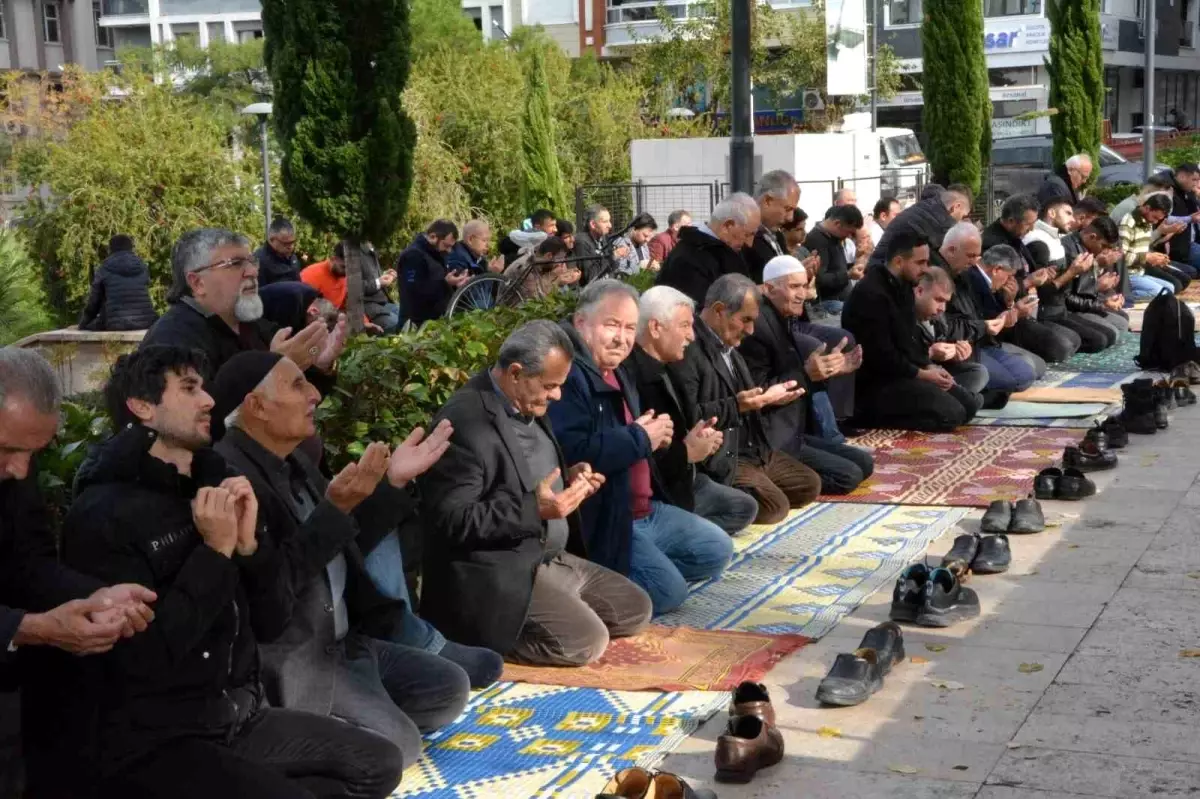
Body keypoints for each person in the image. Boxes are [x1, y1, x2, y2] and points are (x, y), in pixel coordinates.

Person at [63, 346, 404, 799]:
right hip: (162, 739)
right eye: (188, 388)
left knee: (379, 763)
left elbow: (271, 620)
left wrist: (250, 549)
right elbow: (143, 662)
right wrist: (214, 552)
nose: (208, 400)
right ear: (142, 406)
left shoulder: (219, 479)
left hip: (241, 715)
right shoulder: (103, 512)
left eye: (203, 387)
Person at [211, 352, 498, 768]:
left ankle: (352, 723)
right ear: (255, 406)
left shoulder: (295, 461)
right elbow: (270, 595)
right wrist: (335, 511)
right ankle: (313, 732)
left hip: (345, 645)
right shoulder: (233, 479)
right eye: (297, 386)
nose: (314, 394)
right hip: (297, 660)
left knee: (449, 687)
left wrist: (393, 481)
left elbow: (342, 542)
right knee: (400, 749)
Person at [420, 321, 653, 664]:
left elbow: (529, 470)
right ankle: (489, 637)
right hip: (503, 567)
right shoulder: (466, 422)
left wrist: (569, 477)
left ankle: (553, 608)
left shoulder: (528, 401)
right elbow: (449, 519)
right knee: (586, 643)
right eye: (550, 386)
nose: (557, 395)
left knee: (636, 610)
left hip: (550, 556)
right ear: (515, 373)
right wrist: (536, 511)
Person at [0, 349, 160, 795]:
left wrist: (97, 597)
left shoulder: (16, 459)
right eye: (8, 450)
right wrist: (29, 628)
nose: (21, 470)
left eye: (34, 451)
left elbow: (27, 562)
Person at [547, 281, 733, 614]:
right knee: (669, 593)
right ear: (580, 323)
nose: (622, 337)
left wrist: (659, 441)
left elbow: (634, 441)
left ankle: (636, 570)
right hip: (609, 518)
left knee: (717, 549)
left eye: (629, 327)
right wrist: (640, 438)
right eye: (611, 325)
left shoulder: (618, 369)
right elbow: (573, 451)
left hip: (646, 509)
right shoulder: (569, 374)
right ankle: (600, 581)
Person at [667, 274, 822, 525]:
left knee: (809, 485)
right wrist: (738, 405)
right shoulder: (689, 350)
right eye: (745, 320)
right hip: (725, 455)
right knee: (775, 507)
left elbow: (749, 398)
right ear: (719, 311)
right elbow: (688, 414)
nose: (750, 330)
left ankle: (755, 483)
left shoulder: (730, 346)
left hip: (754, 449)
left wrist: (769, 399)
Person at [627, 286, 760, 534]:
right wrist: (686, 453)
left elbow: (687, 420)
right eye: (684, 326)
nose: (692, 336)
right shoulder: (633, 376)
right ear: (655, 328)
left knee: (745, 507)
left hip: (688, 474)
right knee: (714, 547)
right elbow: (647, 461)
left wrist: (700, 436)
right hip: (660, 490)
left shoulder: (668, 365)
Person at [739, 257, 874, 495]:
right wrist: (807, 373)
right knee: (847, 476)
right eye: (794, 287)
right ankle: (776, 478)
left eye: (804, 285)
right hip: (772, 438)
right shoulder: (757, 328)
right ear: (769, 289)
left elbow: (800, 379)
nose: (803, 294)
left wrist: (831, 371)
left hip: (794, 431)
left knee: (864, 463)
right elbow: (760, 392)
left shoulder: (783, 320)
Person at [142, 229, 344, 386]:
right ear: (197, 283)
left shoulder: (254, 326)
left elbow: (303, 399)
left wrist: (319, 365)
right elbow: (199, 426)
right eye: (236, 263)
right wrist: (274, 372)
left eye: (251, 261)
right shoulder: (172, 341)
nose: (253, 271)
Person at [842, 231, 979, 430]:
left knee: (969, 406)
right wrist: (922, 375)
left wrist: (929, 366)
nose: (925, 269)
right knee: (952, 415)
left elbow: (909, 341)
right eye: (920, 262)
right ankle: (868, 418)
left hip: (905, 372)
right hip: (878, 381)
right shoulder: (871, 294)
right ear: (898, 262)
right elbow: (881, 357)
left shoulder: (905, 287)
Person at [936, 223, 1037, 396]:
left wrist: (1009, 307)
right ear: (951, 250)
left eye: (977, 256)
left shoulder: (962, 274)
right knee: (1005, 382)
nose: (975, 262)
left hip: (974, 343)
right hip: (960, 348)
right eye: (971, 256)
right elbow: (945, 325)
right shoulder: (939, 276)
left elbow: (976, 317)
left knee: (1029, 370)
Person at [983, 194, 1082, 364]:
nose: (1030, 230)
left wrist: (1041, 274)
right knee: (1061, 348)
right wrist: (1028, 282)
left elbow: (1027, 271)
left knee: (1073, 340)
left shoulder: (1016, 237)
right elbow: (999, 287)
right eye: (1028, 225)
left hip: (1028, 310)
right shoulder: (993, 243)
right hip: (1006, 317)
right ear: (1012, 221)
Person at [656, 193, 759, 305]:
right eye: (747, 234)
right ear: (728, 226)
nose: (750, 243)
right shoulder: (690, 258)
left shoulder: (715, 249)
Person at [913, 267, 990, 403]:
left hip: (935, 374)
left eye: (945, 302)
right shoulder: (901, 315)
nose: (942, 308)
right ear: (919, 291)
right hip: (915, 378)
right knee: (972, 403)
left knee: (978, 372)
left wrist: (956, 352)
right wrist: (929, 353)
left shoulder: (938, 317)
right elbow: (898, 360)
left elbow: (942, 347)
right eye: (938, 300)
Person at [869, 184, 973, 270]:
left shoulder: (926, 208)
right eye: (963, 216)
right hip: (885, 274)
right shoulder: (941, 222)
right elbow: (945, 263)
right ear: (956, 206)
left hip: (878, 268)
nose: (960, 221)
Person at [1061, 216, 1130, 336]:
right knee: (1113, 330)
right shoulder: (1070, 251)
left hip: (1084, 303)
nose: (1105, 252)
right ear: (1092, 237)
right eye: (1104, 246)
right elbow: (1068, 297)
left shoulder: (1088, 248)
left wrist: (1105, 296)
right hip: (1070, 309)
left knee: (1123, 318)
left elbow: (1087, 289)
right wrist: (1102, 303)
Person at [79, 235, 158, 332]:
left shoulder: (104, 267)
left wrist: (84, 323)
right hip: (147, 322)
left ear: (111, 249)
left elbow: (94, 301)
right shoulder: (142, 266)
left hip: (115, 323)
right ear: (130, 248)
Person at [397, 219, 468, 327]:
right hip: (416, 326)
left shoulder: (436, 253)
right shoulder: (413, 256)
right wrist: (445, 283)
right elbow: (413, 291)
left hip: (434, 321)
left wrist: (455, 284)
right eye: (446, 245)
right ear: (433, 237)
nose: (449, 251)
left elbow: (438, 283)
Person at [1120, 193, 1192, 297]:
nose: (1155, 221)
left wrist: (1156, 258)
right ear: (1147, 208)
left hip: (1140, 270)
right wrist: (1147, 258)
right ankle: (1122, 296)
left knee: (1170, 288)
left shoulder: (1147, 221)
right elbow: (1121, 256)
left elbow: (1143, 247)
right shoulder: (1128, 223)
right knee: (1164, 292)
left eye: (1158, 219)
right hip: (1128, 274)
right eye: (1155, 217)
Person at [742, 170, 801, 284]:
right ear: (767, 201)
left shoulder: (777, 235)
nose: (790, 218)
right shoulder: (742, 236)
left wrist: (799, 274)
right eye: (787, 209)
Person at [806, 204, 866, 315]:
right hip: (829, 303)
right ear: (837, 223)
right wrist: (848, 275)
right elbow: (820, 279)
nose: (848, 236)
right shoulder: (817, 240)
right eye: (848, 232)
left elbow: (837, 267)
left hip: (841, 298)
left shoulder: (834, 237)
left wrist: (855, 265)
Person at [502, 235, 581, 302]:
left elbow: (543, 283)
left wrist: (565, 275)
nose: (561, 263)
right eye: (560, 259)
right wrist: (557, 280)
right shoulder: (525, 267)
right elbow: (535, 300)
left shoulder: (543, 263)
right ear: (549, 256)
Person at [574, 204, 628, 280]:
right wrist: (614, 256)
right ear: (593, 224)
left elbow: (613, 267)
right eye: (605, 222)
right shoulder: (582, 242)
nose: (610, 225)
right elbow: (591, 277)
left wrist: (616, 256)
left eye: (609, 221)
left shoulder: (603, 238)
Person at [1163, 163, 1200, 271]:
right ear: (1182, 176)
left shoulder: (1190, 193)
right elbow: (1162, 219)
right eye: (1194, 180)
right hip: (1181, 247)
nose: (1196, 184)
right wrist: (1189, 219)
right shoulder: (1168, 192)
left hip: (1193, 242)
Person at [254, 218, 302, 286]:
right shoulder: (259, 261)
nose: (290, 247)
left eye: (292, 242)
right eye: (285, 243)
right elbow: (259, 293)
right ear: (272, 239)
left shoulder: (293, 257)